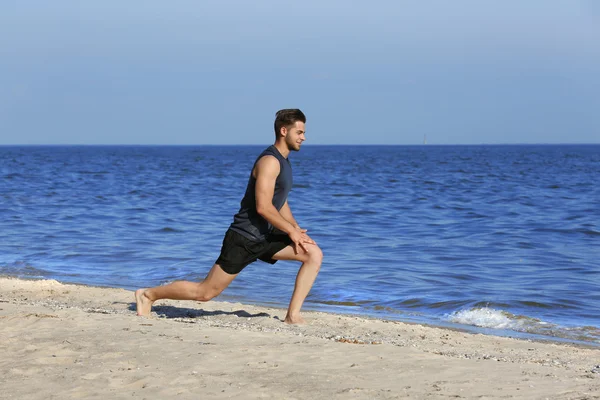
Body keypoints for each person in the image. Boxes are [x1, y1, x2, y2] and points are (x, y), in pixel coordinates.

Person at [135, 109, 322, 324]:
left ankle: (292, 315)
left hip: (267, 237)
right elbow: (263, 207)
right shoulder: (270, 161)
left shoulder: (285, 162)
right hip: (245, 237)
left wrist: (296, 230)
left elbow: (280, 202)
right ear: (283, 130)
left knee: (313, 254)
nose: (303, 137)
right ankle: (148, 295)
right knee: (205, 293)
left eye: (303, 132)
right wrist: (290, 231)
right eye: (299, 132)